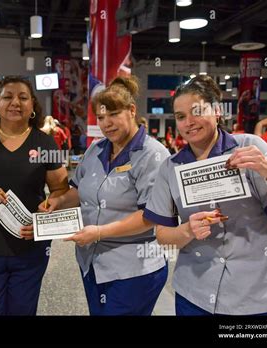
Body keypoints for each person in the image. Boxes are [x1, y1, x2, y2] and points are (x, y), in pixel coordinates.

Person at [143, 76, 267, 315]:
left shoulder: (250, 147)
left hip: (257, 295)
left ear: (217, 111)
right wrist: (187, 230)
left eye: (197, 111)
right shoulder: (170, 167)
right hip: (195, 294)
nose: (189, 122)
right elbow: (163, 236)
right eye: (180, 116)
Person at [39, 76, 170, 315]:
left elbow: (150, 216)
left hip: (133, 269)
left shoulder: (153, 155)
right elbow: (77, 192)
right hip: (92, 263)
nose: (106, 123)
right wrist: (57, 201)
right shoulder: (96, 149)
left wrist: (99, 232)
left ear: (131, 110)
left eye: (113, 114)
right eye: (100, 117)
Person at [0, 75, 69, 316]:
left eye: (23, 97)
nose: (15, 102)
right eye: (7, 96)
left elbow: (61, 190)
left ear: (32, 106)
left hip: (29, 245)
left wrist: (47, 211)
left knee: (22, 309)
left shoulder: (45, 144)